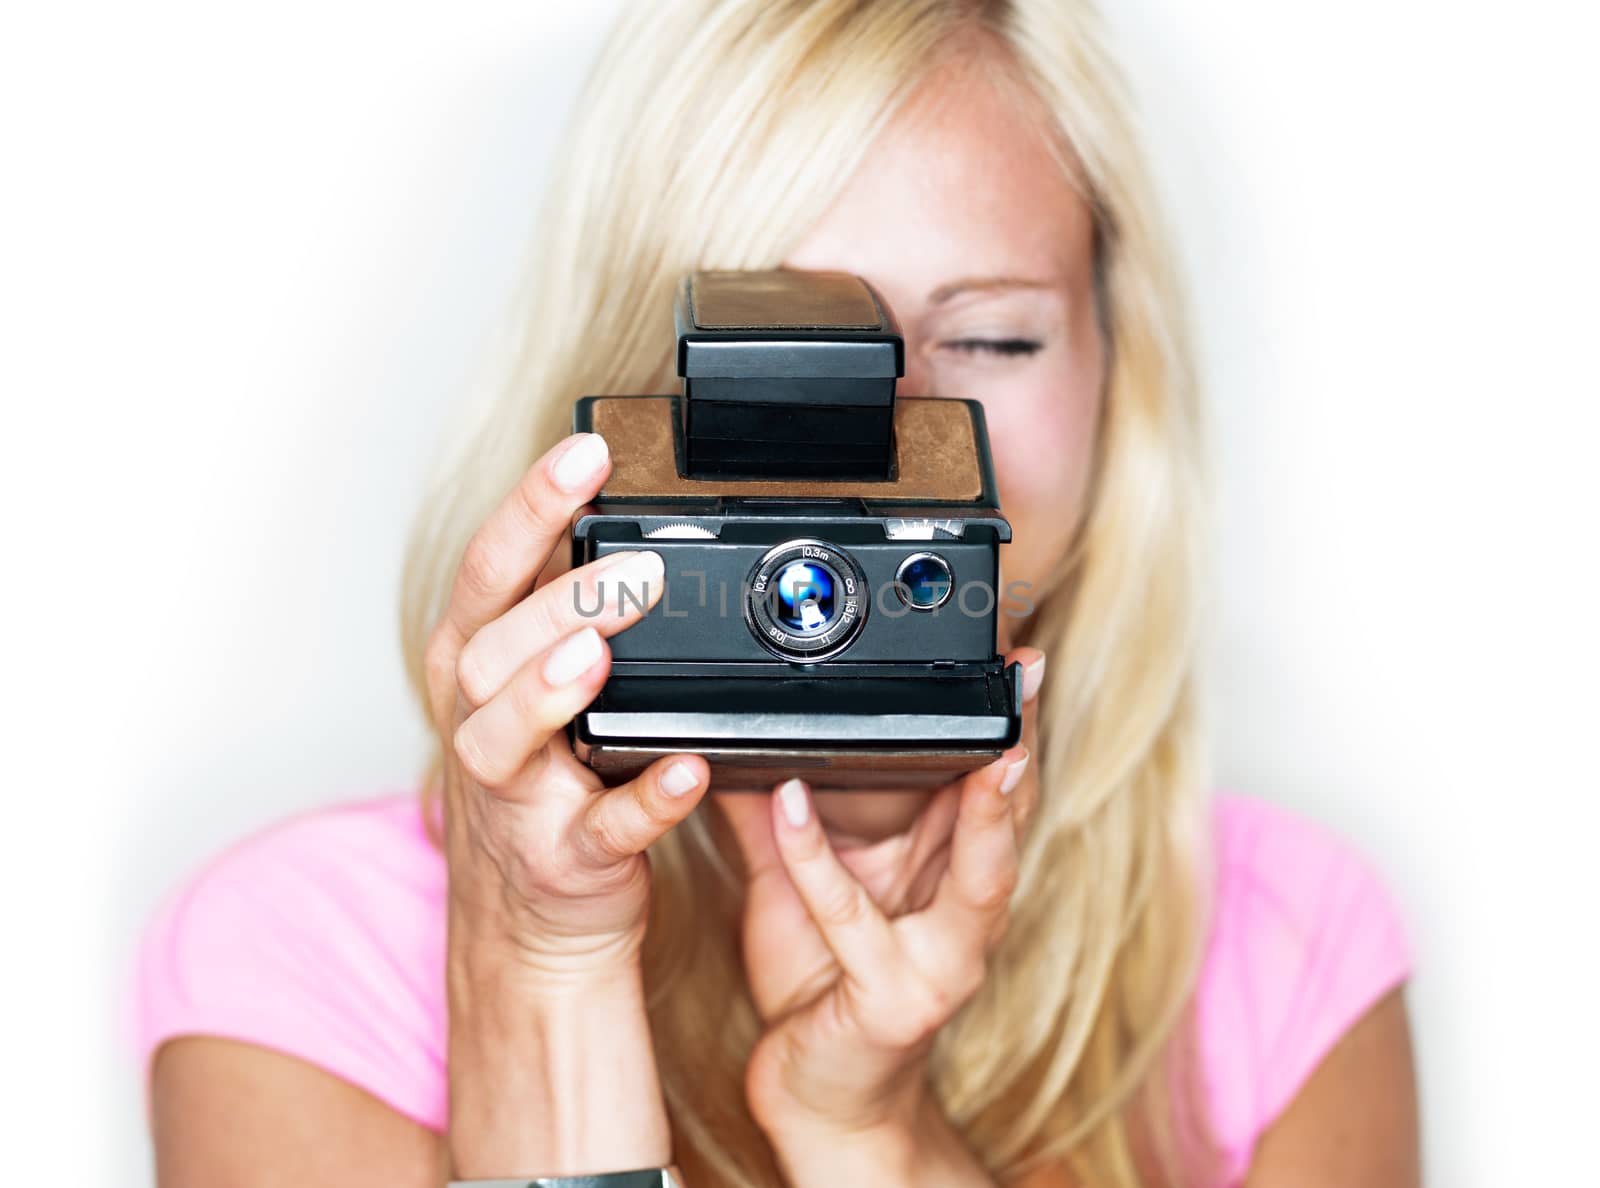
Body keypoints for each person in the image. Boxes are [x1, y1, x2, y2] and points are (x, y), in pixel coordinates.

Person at [130, 2, 1419, 1185]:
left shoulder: (1282, 943)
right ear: (634, 391)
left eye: (988, 339)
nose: (890, 437)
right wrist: (542, 976)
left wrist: (878, 1140)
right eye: (785, 359)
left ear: (1115, 372)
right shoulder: (305, 951)